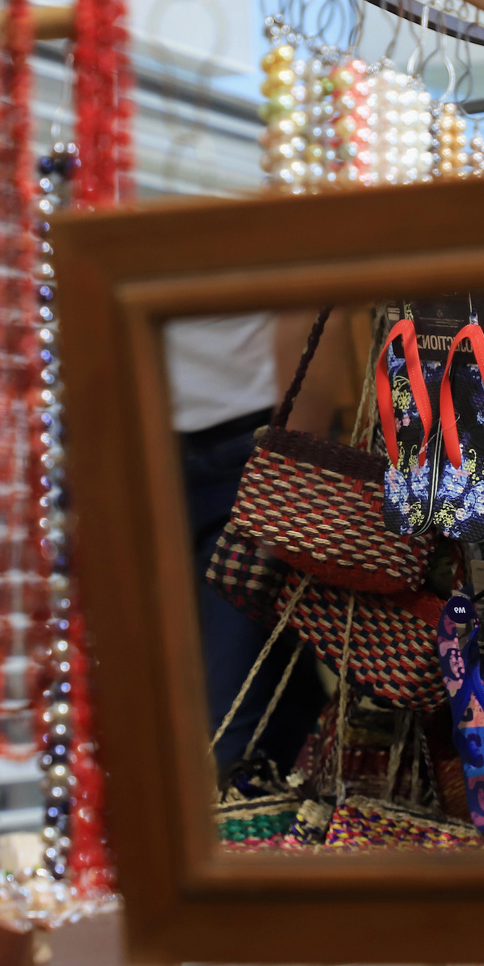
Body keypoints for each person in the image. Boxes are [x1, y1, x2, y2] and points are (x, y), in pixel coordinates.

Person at [166, 311, 331, 776]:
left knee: (237, 725)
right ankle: (311, 828)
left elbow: (311, 303)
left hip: (251, 445)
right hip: (148, 456)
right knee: (274, 694)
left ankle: (261, 834)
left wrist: (294, 466)